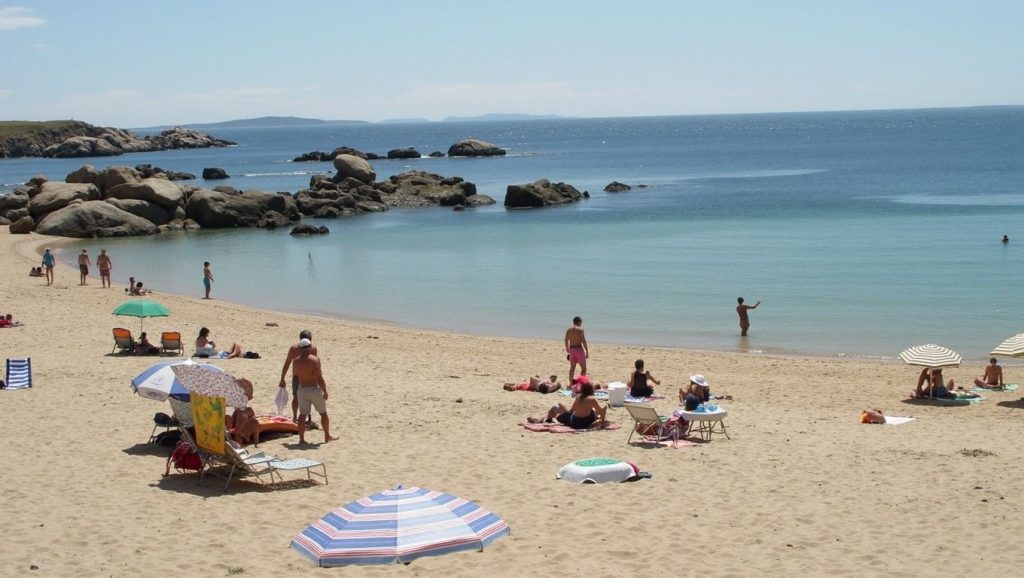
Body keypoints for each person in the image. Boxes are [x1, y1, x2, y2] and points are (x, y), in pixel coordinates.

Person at [293, 338, 338, 444]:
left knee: (302, 415)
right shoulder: (314, 360)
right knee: (323, 413)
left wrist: (296, 391)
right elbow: (319, 378)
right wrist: (325, 391)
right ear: (309, 347)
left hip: (302, 389)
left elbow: (295, 377)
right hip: (313, 389)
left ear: (300, 348)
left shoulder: (296, 361)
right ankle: (327, 436)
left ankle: (302, 439)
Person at [528, 382, 607, 430]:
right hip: (586, 422)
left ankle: (544, 419)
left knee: (557, 406)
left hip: (575, 423)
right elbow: (601, 412)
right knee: (597, 409)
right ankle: (545, 419)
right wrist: (602, 421)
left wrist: (564, 408)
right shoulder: (592, 400)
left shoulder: (578, 398)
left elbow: (571, 411)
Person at [279, 330, 317, 423]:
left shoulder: (294, 348)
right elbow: (315, 364)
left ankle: (296, 417)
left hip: (297, 376)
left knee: (296, 397)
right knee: (306, 397)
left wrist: (282, 378)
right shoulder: (312, 348)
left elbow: (287, 364)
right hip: (307, 377)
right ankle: (306, 418)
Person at [227, 378, 258, 444]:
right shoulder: (241, 411)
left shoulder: (245, 411)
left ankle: (240, 437)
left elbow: (254, 423)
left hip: (241, 433)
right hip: (240, 431)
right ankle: (241, 436)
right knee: (238, 415)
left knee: (243, 415)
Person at [564, 316, 589, 382]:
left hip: (572, 350)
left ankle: (571, 384)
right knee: (583, 369)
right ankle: (581, 384)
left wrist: (567, 348)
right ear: (579, 322)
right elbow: (583, 341)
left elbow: (566, 340)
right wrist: (587, 351)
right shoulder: (580, 330)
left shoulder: (568, 330)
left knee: (572, 368)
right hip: (579, 349)